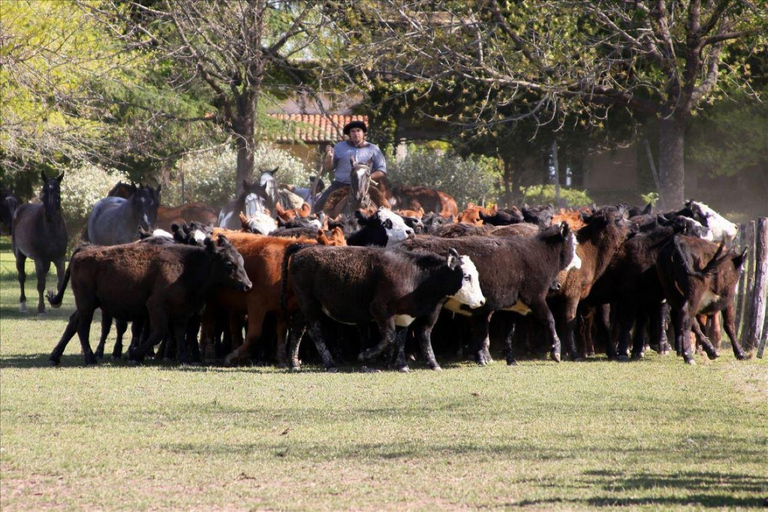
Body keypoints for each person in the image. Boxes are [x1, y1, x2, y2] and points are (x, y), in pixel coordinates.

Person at [313, 120, 387, 213]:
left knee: (385, 208)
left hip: (365, 187)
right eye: (353, 131)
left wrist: (365, 177)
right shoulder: (339, 147)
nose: (356, 133)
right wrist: (330, 157)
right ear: (349, 134)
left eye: (358, 130)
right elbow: (328, 167)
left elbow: (382, 170)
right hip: (340, 185)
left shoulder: (373, 149)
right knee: (319, 206)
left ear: (363, 133)